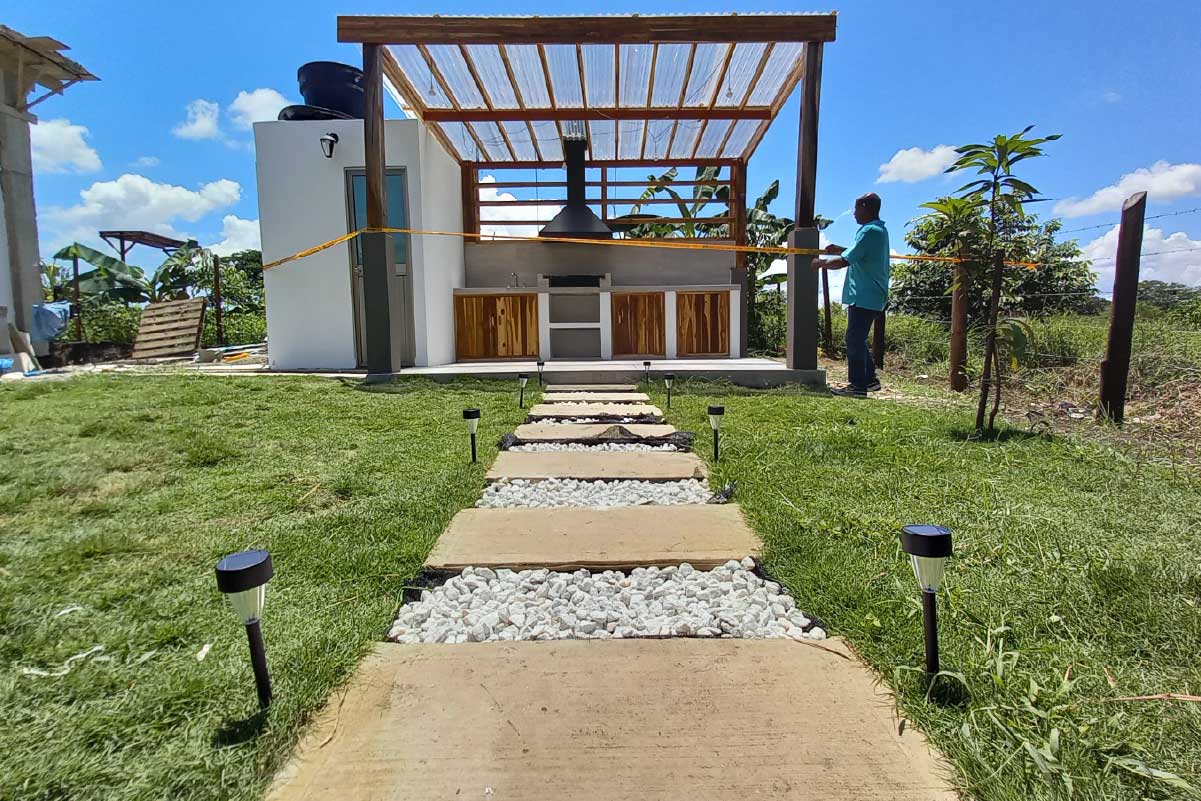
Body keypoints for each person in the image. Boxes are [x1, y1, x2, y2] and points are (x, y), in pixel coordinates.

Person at [812, 192, 890, 397]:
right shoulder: (878, 230)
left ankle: (857, 387)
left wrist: (821, 264)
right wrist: (839, 249)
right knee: (857, 338)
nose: (854, 213)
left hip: (865, 294)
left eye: (856, 208)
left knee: (854, 339)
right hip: (871, 293)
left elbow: (847, 260)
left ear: (865, 207)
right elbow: (860, 253)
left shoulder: (869, 231)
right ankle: (870, 380)